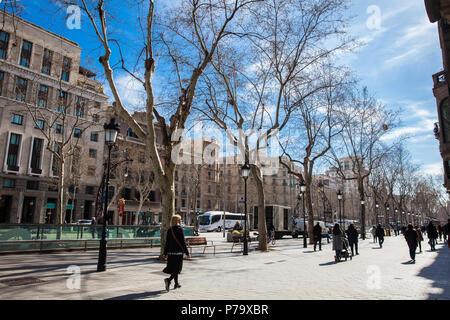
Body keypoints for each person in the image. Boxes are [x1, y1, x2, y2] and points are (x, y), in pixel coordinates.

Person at [163, 215, 190, 291]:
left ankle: (176, 283)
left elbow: (167, 243)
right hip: (178, 253)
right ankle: (168, 280)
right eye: (180, 219)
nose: (181, 220)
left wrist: (165, 253)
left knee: (174, 268)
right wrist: (187, 253)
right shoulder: (179, 229)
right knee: (177, 269)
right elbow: (183, 242)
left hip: (171, 253)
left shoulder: (170, 230)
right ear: (178, 221)